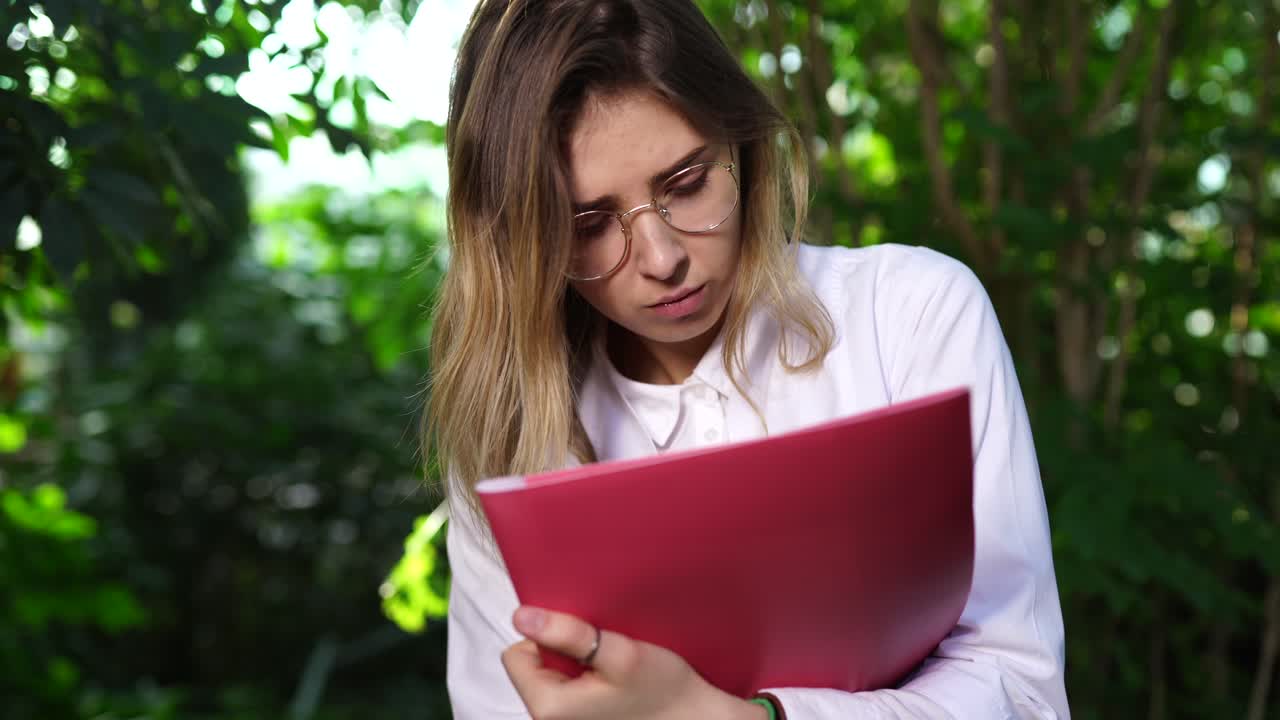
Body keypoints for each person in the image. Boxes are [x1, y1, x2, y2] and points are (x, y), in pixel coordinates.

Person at [428, 0, 1070, 717]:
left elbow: (1024, 692)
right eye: (590, 224)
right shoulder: (510, 441)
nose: (663, 259)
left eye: (686, 184)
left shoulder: (908, 315)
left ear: (741, 145)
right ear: (522, 243)